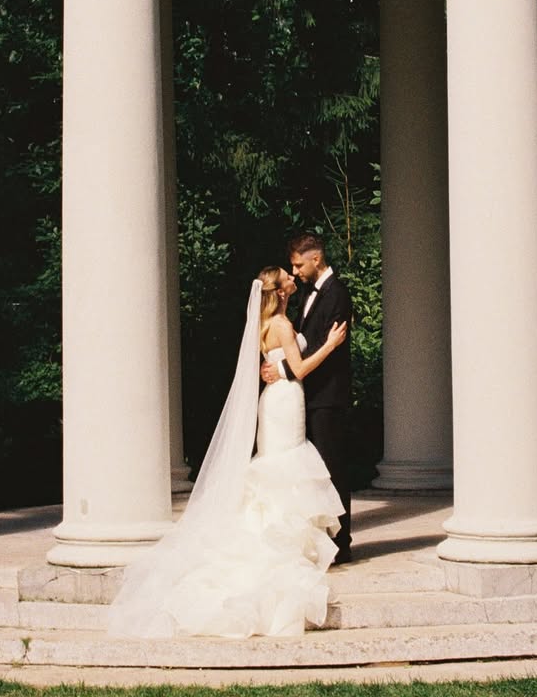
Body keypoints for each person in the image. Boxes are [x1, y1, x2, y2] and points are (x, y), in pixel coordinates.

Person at [106, 268, 348, 638]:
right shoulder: (282, 324)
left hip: (274, 401)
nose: (292, 277)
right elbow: (298, 370)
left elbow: (280, 364)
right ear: (280, 291)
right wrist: (329, 345)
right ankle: (283, 545)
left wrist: (279, 366)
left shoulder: (264, 324)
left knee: (275, 469)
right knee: (287, 469)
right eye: (287, 277)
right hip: (286, 400)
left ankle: (276, 537)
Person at [263, 233, 355, 563]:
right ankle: (314, 539)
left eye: (299, 265)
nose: (295, 271)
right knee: (309, 473)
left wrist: (281, 369)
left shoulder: (337, 294)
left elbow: (321, 346)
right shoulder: (306, 293)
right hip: (303, 397)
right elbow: (303, 342)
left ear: (316, 259)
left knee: (332, 470)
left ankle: (341, 543)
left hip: (328, 396)